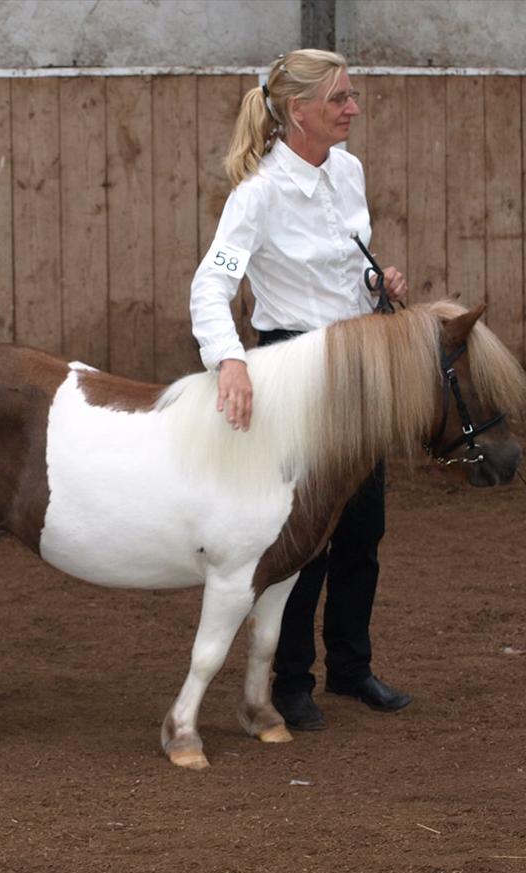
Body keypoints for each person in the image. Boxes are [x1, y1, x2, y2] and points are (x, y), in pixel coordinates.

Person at [189, 49, 412, 731]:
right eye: (339, 98)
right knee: (302, 539)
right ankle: (290, 682)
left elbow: (343, 272)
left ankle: (351, 668)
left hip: (353, 365)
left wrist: (376, 287)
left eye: (351, 96)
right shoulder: (256, 192)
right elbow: (212, 284)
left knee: (362, 527)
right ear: (299, 111)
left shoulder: (350, 172)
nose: (352, 108)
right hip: (291, 369)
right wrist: (228, 359)